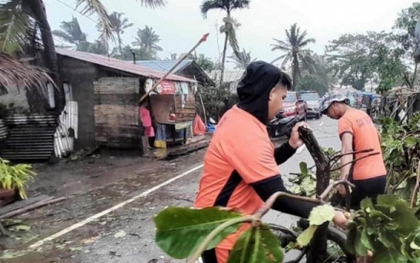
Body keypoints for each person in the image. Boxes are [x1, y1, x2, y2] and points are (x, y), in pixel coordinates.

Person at [194, 61, 348, 263]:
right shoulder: (247, 133)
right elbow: (276, 196)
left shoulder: (238, 116)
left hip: (233, 226)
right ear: (270, 93)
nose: (282, 105)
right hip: (223, 236)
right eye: (283, 98)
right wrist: (329, 212)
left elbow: (253, 167)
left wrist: (289, 146)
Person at [320, 92, 387, 209]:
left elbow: (347, 149)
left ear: (335, 104)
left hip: (362, 180)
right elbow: (379, 138)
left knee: (337, 210)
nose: (328, 115)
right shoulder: (363, 114)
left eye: (327, 111)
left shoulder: (345, 120)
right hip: (381, 176)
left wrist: (343, 181)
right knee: (371, 215)